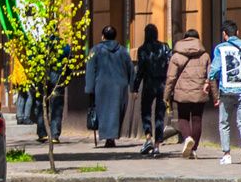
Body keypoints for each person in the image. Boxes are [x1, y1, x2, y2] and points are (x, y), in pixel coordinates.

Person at [207, 19, 241, 165]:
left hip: (226, 90)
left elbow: (214, 70)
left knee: (224, 123)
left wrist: (209, 82)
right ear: (238, 32)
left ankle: (227, 154)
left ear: (224, 34)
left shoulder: (220, 49)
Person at [164, 28, 210, 159]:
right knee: (197, 119)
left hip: (181, 92)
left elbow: (171, 78)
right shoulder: (205, 55)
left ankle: (188, 138)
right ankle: (193, 149)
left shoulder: (176, 56)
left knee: (183, 118)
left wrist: (166, 95)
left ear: (184, 39)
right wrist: (215, 95)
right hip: (199, 92)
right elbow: (210, 76)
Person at [85, 26, 134, 149]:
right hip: (120, 86)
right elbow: (131, 69)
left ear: (103, 36)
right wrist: (133, 87)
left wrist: (89, 88)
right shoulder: (123, 51)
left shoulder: (95, 51)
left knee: (104, 111)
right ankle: (111, 137)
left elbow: (90, 70)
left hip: (102, 85)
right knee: (116, 111)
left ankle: (109, 137)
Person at [133, 24, 172, 156]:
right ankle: (157, 146)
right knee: (160, 114)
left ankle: (148, 137)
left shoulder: (142, 49)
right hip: (162, 84)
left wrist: (135, 88)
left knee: (146, 112)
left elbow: (140, 71)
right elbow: (170, 65)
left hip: (148, 84)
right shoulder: (165, 47)